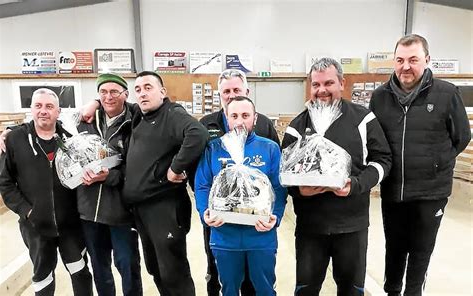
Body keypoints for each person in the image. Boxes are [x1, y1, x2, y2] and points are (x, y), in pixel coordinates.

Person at [369, 34, 471, 296]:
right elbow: (374, 141)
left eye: (413, 60)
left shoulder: (447, 94)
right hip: (394, 192)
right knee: (394, 251)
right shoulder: (380, 98)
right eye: (400, 60)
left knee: (420, 253)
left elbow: (462, 136)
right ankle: (392, 291)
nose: (406, 66)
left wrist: (438, 163)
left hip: (430, 194)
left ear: (427, 60)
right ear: (394, 62)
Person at [281, 58, 392, 295]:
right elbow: (284, 173)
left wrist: (357, 184)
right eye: (316, 84)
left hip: (352, 226)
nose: (321, 90)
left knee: (351, 290)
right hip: (311, 228)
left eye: (329, 83)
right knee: (306, 289)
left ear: (342, 83)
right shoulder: (296, 127)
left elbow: (383, 161)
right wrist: (298, 190)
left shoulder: (363, 119)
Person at [122, 71, 208, 295]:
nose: (142, 93)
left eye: (148, 87)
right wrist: (94, 103)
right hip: (142, 210)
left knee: (173, 271)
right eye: (138, 89)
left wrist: (175, 168)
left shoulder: (172, 114)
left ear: (163, 92)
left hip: (165, 207)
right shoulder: (141, 115)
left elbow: (197, 133)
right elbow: (119, 101)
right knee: (155, 269)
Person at [0, 88, 93, 296]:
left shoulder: (70, 139)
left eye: (49, 106)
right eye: (38, 106)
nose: (43, 111)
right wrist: (27, 211)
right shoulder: (14, 140)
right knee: (43, 277)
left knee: (80, 272)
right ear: (31, 109)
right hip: (35, 227)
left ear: (58, 111)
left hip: (70, 226)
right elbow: (5, 183)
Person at [197, 68, 280, 296]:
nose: (240, 120)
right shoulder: (214, 147)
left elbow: (278, 187)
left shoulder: (269, 148)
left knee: (264, 288)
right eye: (234, 116)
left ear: (255, 117)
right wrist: (205, 211)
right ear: (227, 117)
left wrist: (276, 217)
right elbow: (203, 184)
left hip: (260, 235)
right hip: (225, 235)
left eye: (245, 115)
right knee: (228, 289)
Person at [76, 73, 142, 296]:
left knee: (128, 265)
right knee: (99, 268)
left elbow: (139, 168)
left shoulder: (136, 123)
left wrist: (109, 177)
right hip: (89, 212)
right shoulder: (84, 121)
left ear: (125, 94)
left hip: (121, 212)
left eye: (114, 91)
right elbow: (49, 123)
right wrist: (8, 133)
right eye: (103, 92)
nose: (108, 97)